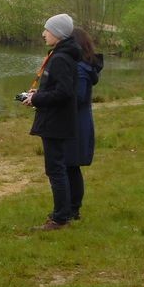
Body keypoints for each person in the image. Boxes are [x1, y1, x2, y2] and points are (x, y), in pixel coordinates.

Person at [20, 14, 80, 230]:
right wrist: (38, 93)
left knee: (55, 169)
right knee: (57, 168)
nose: (44, 34)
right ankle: (63, 212)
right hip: (56, 119)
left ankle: (60, 218)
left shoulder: (61, 58)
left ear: (58, 33)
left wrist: (37, 99)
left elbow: (64, 92)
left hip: (56, 121)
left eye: (47, 30)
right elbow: (58, 88)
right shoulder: (60, 55)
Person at [64, 28, 103, 222]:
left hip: (76, 123)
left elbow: (78, 97)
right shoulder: (83, 66)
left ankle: (73, 209)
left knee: (70, 166)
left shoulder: (80, 69)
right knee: (70, 167)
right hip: (78, 120)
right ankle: (71, 207)